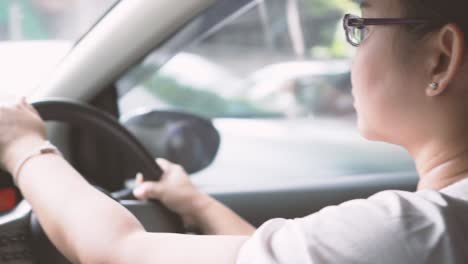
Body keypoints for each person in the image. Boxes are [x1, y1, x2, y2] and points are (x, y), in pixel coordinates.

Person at [1, 0, 468, 263]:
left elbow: (118, 250)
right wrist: (198, 204)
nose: (354, 53)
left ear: (440, 59)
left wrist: (22, 145)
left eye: (362, 26)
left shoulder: (411, 233)